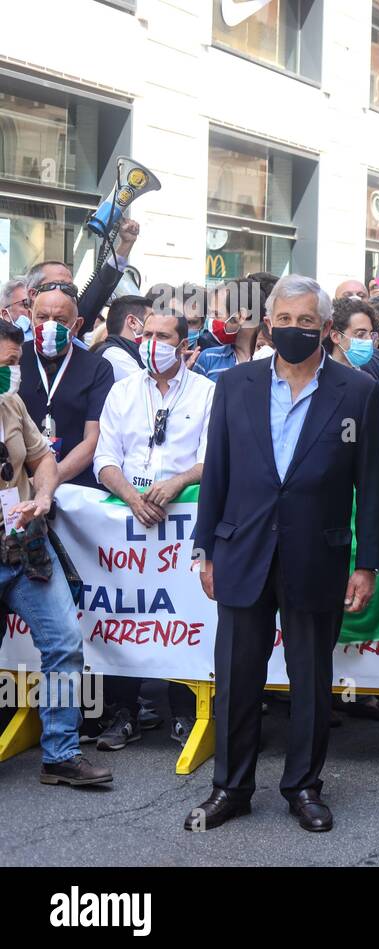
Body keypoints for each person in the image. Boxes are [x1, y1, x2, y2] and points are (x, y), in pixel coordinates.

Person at [185, 275, 379, 834]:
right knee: (236, 677)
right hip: (242, 551)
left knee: (311, 681)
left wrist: (366, 563)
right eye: (284, 320)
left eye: (307, 322)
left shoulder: (358, 392)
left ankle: (303, 786)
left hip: (317, 555)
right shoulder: (233, 384)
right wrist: (206, 549)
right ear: (268, 322)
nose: (294, 330)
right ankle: (231, 787)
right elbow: (217, 473)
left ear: (325, 328)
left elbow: (371, 486)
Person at [92, 305, 215, 749]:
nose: (153, 344)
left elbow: (213, 457)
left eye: (164, 337)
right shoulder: (123, 391)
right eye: (148, 334)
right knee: (128, 612)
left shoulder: (206, 393)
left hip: (181, 520)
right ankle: (123, 714)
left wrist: (177, 483)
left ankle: (185, 712)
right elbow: (104, 458)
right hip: (128, 520)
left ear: (184, 345)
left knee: (181, 613)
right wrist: (131, 496)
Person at [0, 318, 113, 787]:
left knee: (64, 643)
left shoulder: (10, 403)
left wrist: (43, 497)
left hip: (25, 548)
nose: (13, 372)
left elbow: (43, 457)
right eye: (6, 363)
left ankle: (61, 754)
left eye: (13, 362)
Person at [17, 282, 115, 488]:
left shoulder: (97, 368)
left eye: (60, 320)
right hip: (18, 484)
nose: (49, 326)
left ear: (77, 325)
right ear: (30, 316)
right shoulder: (12, 359)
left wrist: (49, 478)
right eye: (42, 318)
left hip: (76, 488)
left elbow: (93, 439)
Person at [195, 274, 276, 379]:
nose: (211, 321)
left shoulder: (274, 359)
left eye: (217, 314)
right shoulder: (208, 359)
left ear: (242, 315)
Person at [96, 295, 148, 382]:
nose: (154, 326)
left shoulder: (130, 352)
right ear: (132, 322)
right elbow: (146, 391)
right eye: (149, 321)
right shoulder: (114, 354)